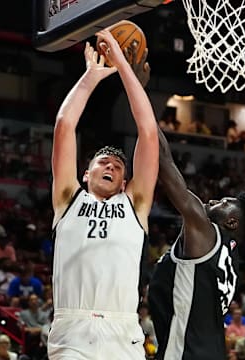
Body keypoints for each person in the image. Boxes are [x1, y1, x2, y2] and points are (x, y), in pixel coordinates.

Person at [47, 29, 158, 360]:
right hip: (73, 327)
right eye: (102, 162)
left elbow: (149, 134)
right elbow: (64, 126)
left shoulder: (135, 204)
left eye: (118, 166)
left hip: (122, 331)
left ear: (124, 183)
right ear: (85, 174)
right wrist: (91, 77)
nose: (111, 165)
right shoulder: (68, 198)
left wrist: (123, 64)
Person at [148, 125, 245, 360]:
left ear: (231, 222)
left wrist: (140, 100)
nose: (212, 200)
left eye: (223, 202)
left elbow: (164, 160)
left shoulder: (208, 234)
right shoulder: (231, 260)